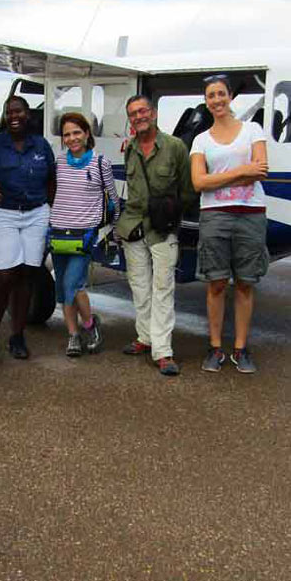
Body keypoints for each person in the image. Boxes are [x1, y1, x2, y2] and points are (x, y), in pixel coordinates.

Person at [189, 75, 269, 373]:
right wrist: (242, 170)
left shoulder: (252, 130)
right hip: (215, 216)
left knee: (246, 283)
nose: (217, 100)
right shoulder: (201, 139)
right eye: (211, 95)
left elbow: (260, 171)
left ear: (230, 96)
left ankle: (240, 348)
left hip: (250, 213)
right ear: (206, 101)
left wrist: (218, 179)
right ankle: (214, 348)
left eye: (221, 94)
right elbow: (198, 182)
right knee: (217, 283)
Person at [0, 96, 56, 364]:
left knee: (27, 274)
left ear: (27, 114)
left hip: (36, 214)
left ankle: (17, 336)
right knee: (4, 275)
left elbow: (51, 180)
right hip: (3, 214)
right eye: (8, 112)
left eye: (17, 111)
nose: (13, 116)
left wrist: (49, 211)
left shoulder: (41, 145)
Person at [116, 95, 196, 376]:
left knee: (163, 288)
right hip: (133, 225)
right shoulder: (130, 149)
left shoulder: (175, 147)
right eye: (133, 114)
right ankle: (144, 337)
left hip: (162, 228)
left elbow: (188, 190)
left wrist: (172, 213)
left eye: (142, 111)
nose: (138, 117)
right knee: (139, 285)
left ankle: (163, 351)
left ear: (154, 113)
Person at [49, 112, 118, 357]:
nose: (72, 138)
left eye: (76, 132)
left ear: (87, 134)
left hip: (84, 236)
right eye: (66, 134)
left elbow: (113, 200)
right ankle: (73, 336)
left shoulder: (101, 163)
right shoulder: (58, 162)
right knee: (63, 288)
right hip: (58, 234)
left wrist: (113, 231)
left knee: (72, 284)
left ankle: (89, 325)